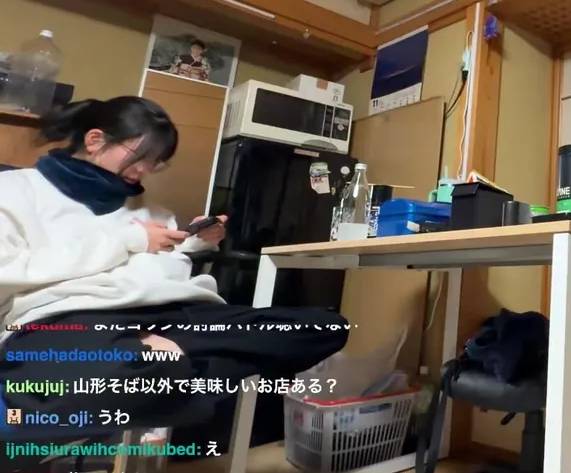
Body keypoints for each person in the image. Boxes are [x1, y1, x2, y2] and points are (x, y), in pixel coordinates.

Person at [0, 96, 349, 426]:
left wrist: (192, 245)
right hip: (68, 317)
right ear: (95, 140)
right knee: (115, 372)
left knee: (324, 328)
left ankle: (162, 362)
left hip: (173, 315)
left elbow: (164, 270)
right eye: (141, 156)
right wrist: (130, 241)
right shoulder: (16, 190)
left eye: (156, 162)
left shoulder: (152, 210)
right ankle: (166, 370)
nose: (145, 170)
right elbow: (8, 271)